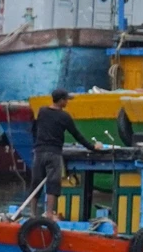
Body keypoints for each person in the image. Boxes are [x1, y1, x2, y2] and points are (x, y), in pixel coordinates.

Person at [29, 89, 98, 218]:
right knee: (53, 183)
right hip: (54, 153)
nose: (67, 102)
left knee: (36, 181)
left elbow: (34, 128)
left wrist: (36, 144)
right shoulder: (64, 117)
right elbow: (77, 135)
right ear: (60, 101)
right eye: (66, 100)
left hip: (39, 152)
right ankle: (49, 213)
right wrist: (92, 147)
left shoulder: (42, 111)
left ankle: (32, 213)